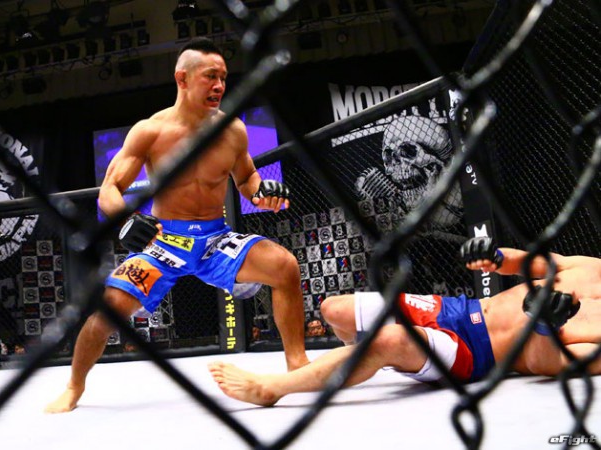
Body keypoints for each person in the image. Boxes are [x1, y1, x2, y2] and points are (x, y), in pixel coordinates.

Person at [45, 37, 309, 414]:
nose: (219, 85)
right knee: (107, 310)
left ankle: (297, 364)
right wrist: (126, 221)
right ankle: (73, 386)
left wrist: (262, 192)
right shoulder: (150, 131)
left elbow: (247, 179)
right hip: (163, 241)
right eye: (210, 76)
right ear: (182, 78)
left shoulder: (233, 130)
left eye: (223, 77)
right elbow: (110, 189)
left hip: (216, 238)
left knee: (284, 266)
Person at [209, 237, 601, 406]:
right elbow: (525, 263)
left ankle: (272, 389)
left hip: (475, 353)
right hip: (459, 309)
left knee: (389, 341)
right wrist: (494, 256)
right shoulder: (590, 267)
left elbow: (553, 362)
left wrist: (547, 326)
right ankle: (356, 360)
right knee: (333, 310)